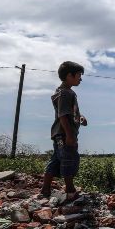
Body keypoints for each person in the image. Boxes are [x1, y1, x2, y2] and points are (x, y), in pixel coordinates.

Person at [40, 61, 88, 200]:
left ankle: (45, 189)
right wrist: (70, 135)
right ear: (69, 76)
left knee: (56, 160)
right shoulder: (66, 93)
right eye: (78, 75)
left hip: (59, 134)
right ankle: (70, 189)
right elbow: (63, 115)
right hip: (64, 134)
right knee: (69, 159)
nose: (81, 78)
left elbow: (69, 113)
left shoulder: (63, 92)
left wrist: (80, 117)